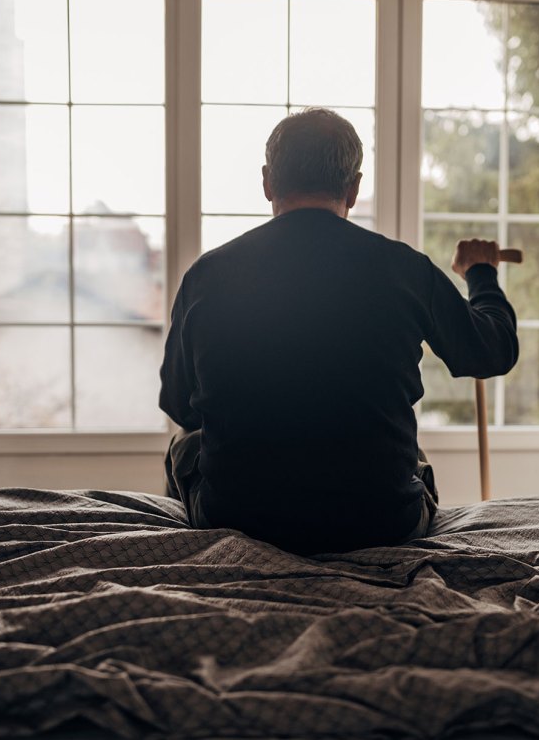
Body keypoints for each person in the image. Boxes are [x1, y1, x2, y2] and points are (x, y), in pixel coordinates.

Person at [159, 108, 517, 555]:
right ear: (354, 186)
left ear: (268, 181)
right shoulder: (405, 269)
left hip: (241, 519)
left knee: (184, 445)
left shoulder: (208, 275)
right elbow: (492, 351)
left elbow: (179, 404)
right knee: (412, 460)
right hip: (383, 522)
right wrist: (481, 274)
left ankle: (201, 560)